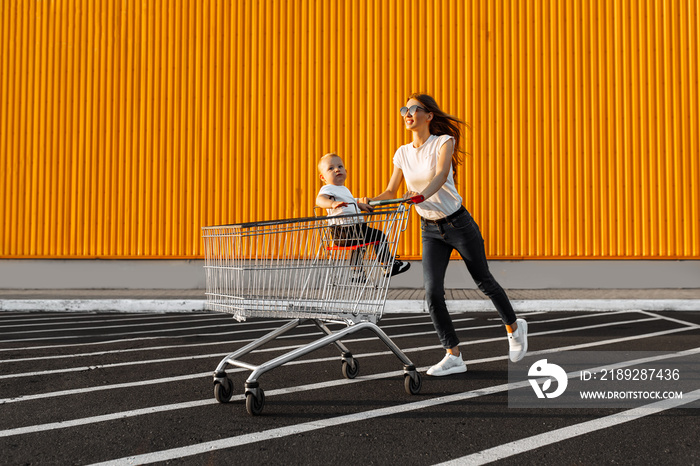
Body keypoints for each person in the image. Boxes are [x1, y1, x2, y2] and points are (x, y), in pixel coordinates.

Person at [364, 94, 528, 375]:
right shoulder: (402, 153)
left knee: (483, 280)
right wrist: (371, 202)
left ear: (429, 116)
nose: (407, 113)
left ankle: (514, 328)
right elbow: (391, 192)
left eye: (414, 109)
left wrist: (420, 196)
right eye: (404, 109)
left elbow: (440, 175)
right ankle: (453, 354)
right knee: (432, 294)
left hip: (458, 224)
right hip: (429, 229)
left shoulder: (443, 142)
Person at [316, 153, 410, 278]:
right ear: (323, 177)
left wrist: (359, 204)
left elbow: (350, 203)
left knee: (360, 243)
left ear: (346, 171)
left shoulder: (343, 190)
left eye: (340, 166)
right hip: (344, 230)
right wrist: (332, 203)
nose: (337, 169)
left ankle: (357, 271)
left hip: (348, 231)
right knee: (378, 235)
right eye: (331, 168)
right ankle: (387, 265)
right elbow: (319, 200)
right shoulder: (328, 188)